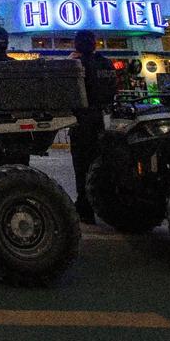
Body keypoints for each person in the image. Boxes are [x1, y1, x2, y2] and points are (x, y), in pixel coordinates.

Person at [68, 30, 117, 224]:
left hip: (83, 119)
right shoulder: (106, 63)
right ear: (95, 44)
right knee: (102, 163)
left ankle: (85, 208)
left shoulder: (77, 64)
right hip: (103, 118)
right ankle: (106, 205)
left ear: (76, 45)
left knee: (82, 165)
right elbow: (113, 88)